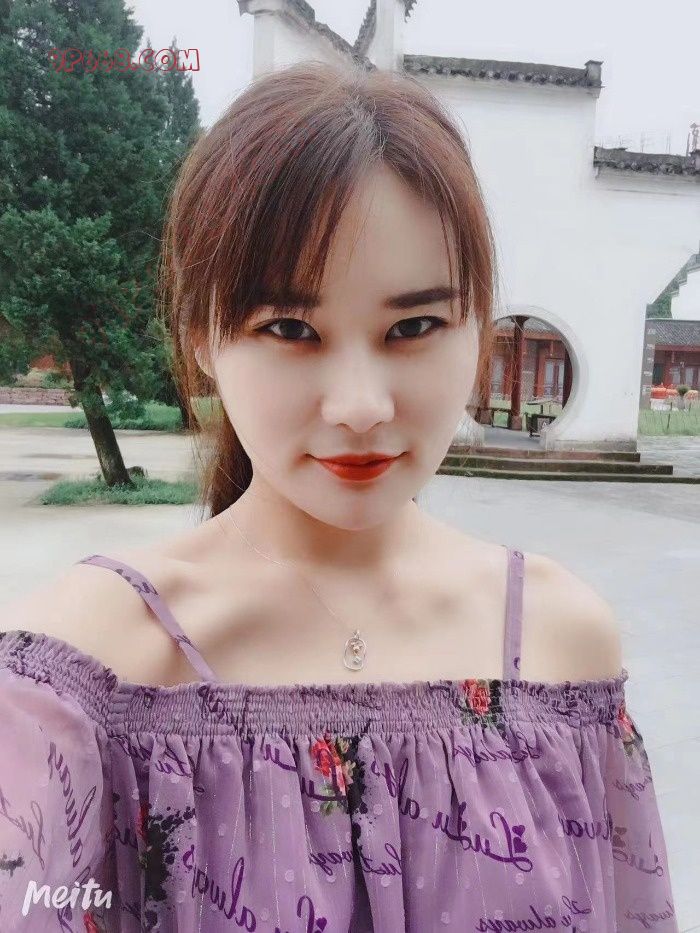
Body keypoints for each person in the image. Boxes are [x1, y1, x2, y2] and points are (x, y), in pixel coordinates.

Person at [0, 59, 677, 932]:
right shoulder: (86, 672)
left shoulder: (562, 644)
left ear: (477, 328)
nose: (361, 406)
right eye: (290, 328)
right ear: (202, 336)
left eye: (414, 326)